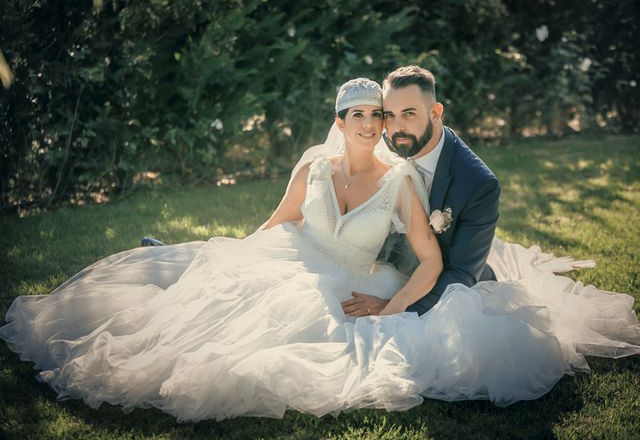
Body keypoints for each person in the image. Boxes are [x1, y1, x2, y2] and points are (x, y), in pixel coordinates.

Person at [1, 78, 639, 423]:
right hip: (290, 257)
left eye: (377, 116)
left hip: (352, 274)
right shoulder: (312, 160)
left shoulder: (404, 182)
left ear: (399, 119)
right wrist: (228, 255)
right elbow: (278, 219)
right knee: (200, 307)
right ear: (340, 122)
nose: (370, 124)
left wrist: (390, 313)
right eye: (359, 115)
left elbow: (440, 262)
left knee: (273, 346)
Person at [341, 66, 499, 317]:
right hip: (380, 272)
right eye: (389, 115)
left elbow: (460, 275)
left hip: (440, 293)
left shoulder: (477, 184)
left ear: (435, 113)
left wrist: (394, 307)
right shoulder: (379, 144)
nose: (396, 128)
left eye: (409, 114)